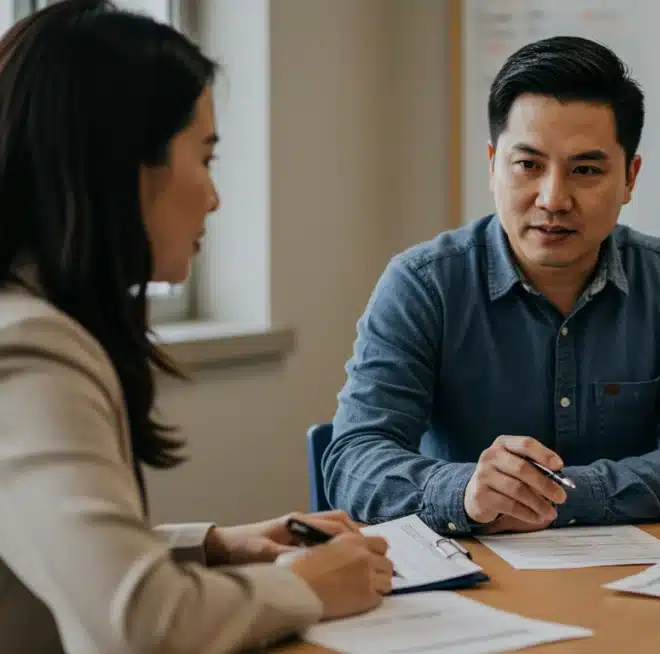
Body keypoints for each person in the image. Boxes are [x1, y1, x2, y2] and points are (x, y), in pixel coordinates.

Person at [0, 2, 394, 652]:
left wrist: (211, 546)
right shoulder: (29, 349)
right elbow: (140, 625)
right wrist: (308, 587)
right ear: (125, 164)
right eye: (204, 158)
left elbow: (47, 547)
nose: (213, 196)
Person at [324, 35, 660, 536]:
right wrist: (464, 492)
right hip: (473, 583)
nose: (553, 198)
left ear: (630, 178)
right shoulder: (424, 284)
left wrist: (560, 493)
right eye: (528, 165)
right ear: (492, 166)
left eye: (586, 170)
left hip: (636, 581)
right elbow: (353, 459)